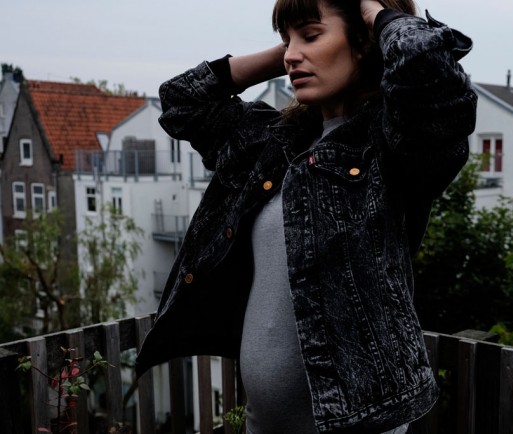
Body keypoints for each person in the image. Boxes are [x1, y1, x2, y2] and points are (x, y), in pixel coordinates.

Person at [136, 0, 476, 432]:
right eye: (286, 40)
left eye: (311, 35)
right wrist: (292, 49)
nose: (292, 55)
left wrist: (374, 11)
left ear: (365, 41)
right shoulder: (273, 143)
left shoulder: (394, 147)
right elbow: (181, 101)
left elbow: (428, 68)